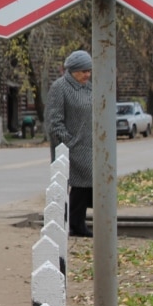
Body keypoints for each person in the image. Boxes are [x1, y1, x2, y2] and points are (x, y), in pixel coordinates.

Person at [46, 49, 94, 237]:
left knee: (84, 185)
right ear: (72, 70)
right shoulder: (60, 87)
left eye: (89, 71)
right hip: (69, 146)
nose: (87, 75)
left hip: (88, 146)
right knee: (77, 185)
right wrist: (69, 141)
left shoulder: (89, 87)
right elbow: (54, 121)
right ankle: (73, 224)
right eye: (83, 71)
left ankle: (76, 223)